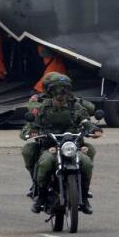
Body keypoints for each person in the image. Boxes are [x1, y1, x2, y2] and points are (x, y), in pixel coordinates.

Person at [21, 73, 101, 214]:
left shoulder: (75, 105)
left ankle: (84, 195)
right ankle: (42, 195)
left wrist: (94, 129)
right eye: (58, 91)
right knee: (45, 162)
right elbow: (32, 124)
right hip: (50, 146)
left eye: (64, 91)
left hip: (72, 146)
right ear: (51, 93)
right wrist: (31, 131)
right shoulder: (42, 107)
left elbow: (85, 120)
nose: (61, 95)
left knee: (87, 162)